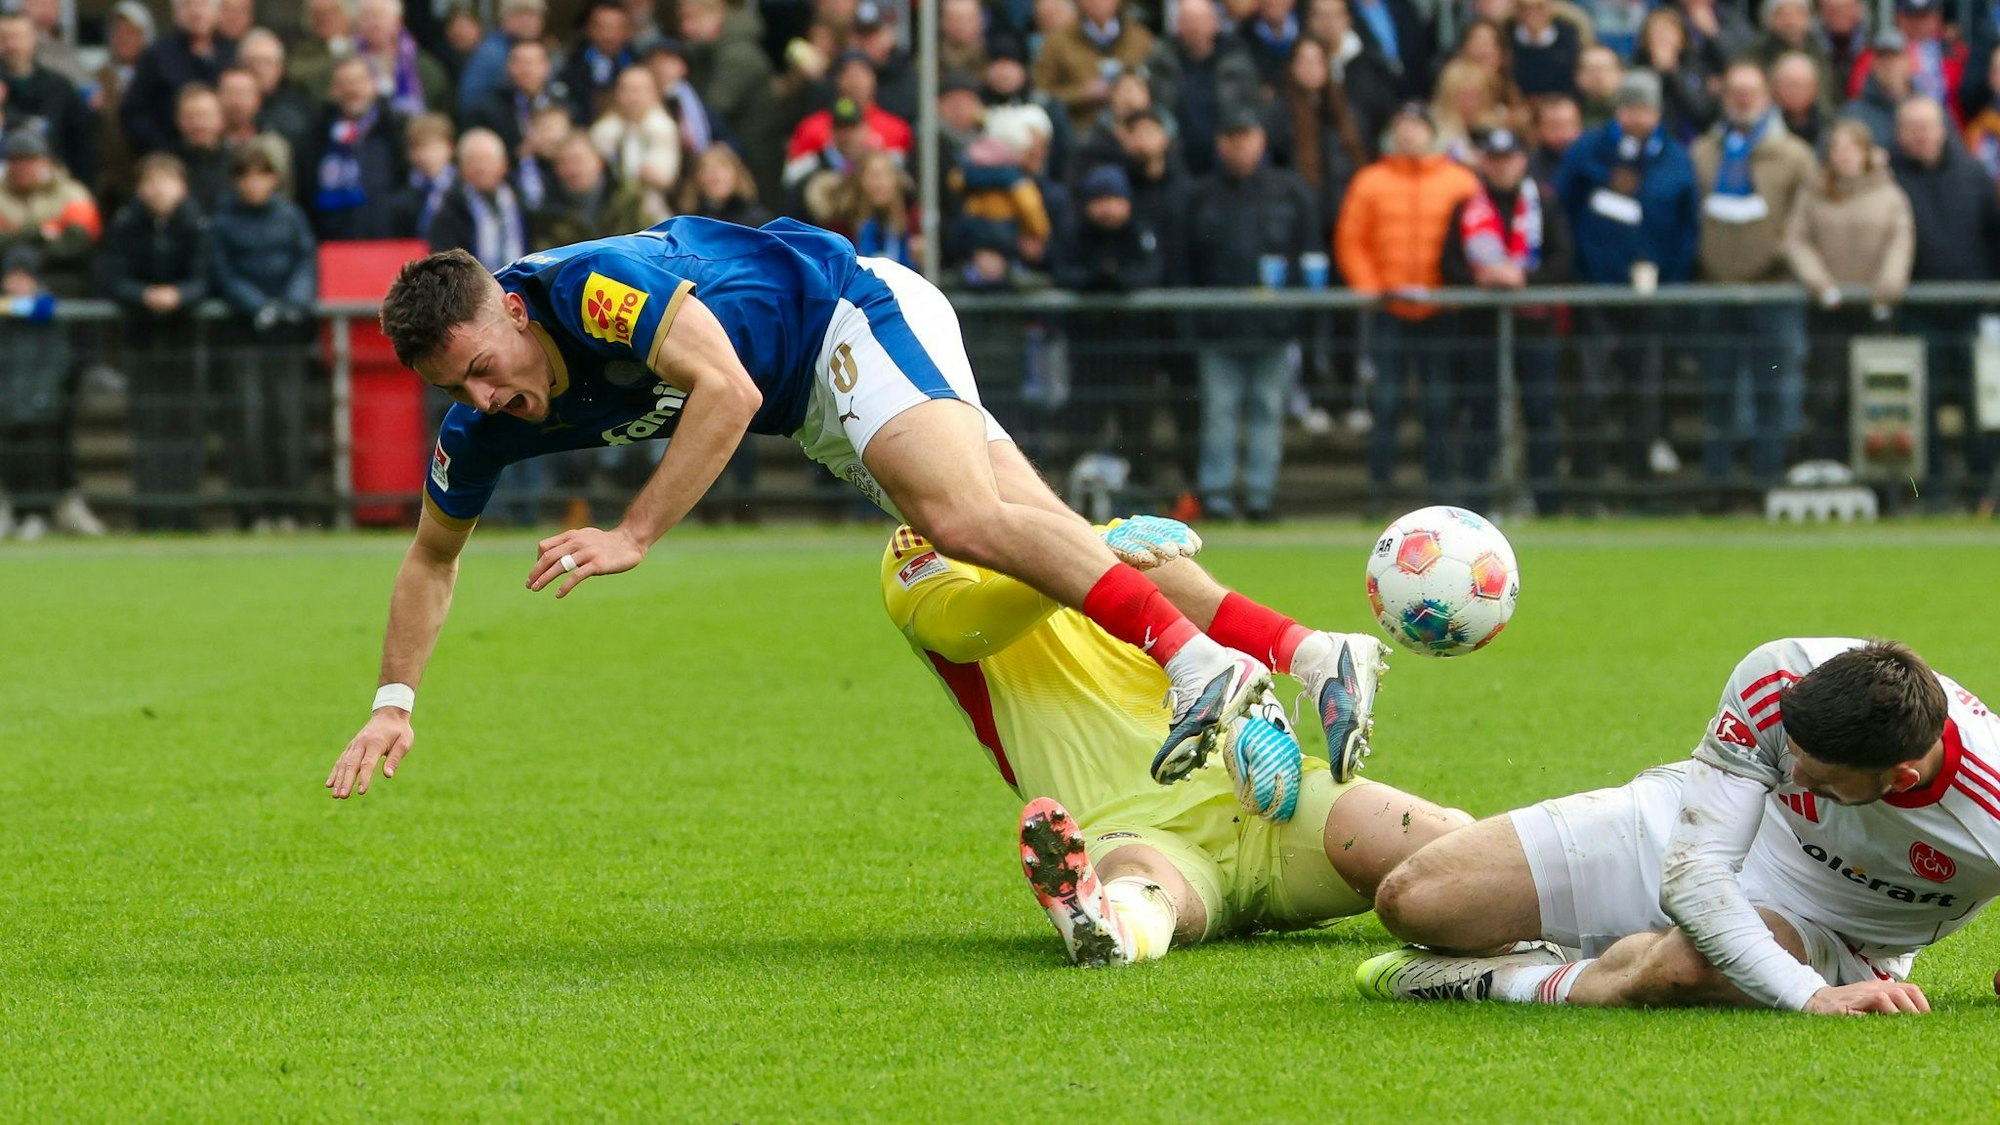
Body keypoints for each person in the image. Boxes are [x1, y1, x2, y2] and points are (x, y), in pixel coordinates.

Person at [325, 210, 1384, 797]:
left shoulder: (591, 288)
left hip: (845, 314)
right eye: (452, 391)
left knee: (964, 526)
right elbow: (429, 558)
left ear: (510, 308)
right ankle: (1306, 652)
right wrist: (393, 702)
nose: (481, 399)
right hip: (819, 399)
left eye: (481, 367)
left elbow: (726, 388)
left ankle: (1196, 666)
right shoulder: (483, 425)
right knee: (1040, 538)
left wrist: (633, 533)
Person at [881, 517, 1426, 966]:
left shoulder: (1116, 534)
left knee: (1434, 843)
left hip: (1272, 812)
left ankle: (1504, 889)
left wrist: (1292, 675)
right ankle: (1104, 930)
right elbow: (959, 630)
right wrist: (1073, 559)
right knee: (1139, 887)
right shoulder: (916, 546)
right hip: (1130, 826)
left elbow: (1221, 616)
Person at [1360, 638, 1996, 1016]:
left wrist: (1811, 990)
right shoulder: (1781, 674)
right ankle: (1595, 951)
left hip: (1835, 931)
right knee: (1414, 900)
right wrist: (1804, 997)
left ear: (1901, 780)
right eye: (1792, 751)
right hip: (1701, 830)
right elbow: (1694, 875)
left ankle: (1516, 981)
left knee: (1685, 967)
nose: (1791, 771)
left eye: (1819, 777)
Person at [1556, 70, 1698, 493]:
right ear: (1619, 109)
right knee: (1592, 392)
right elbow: (1562, 211)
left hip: (1650, 299)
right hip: (1597, 295)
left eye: (1647, 108)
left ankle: (1639, 486)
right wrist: (1582, 273)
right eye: (1631, 106)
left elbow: (1687, 228)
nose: (1639, 116)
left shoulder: (1675, 159)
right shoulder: (1589, 151)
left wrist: (1668, 279)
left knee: (1645, 393)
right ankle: (1588, 484)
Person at [1181, 109, 1319, 522]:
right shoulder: (1200, 195)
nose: (1239, 146)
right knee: (1220, 415)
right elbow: (1186, 262)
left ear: (1261, 139)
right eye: (1231, 137)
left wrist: (1296, 319)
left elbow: (1308, 256)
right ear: (1220, 143)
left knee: (1267, 412)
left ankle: (1260, 495)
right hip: (1219, 329)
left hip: (1274, 329)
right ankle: (1218, 496)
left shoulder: (1290, 191)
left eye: (1247, 136)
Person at [1336, 103, 1479, 499]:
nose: (1410, 134)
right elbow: (1352, 240)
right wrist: (1370, 289)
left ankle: (1441, 490)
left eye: (1417, 126)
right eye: (1403, 125)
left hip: (1441, 310)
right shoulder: (1370, 181)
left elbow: (1476, 237)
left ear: (1432, 133)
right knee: (1386, 403)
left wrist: (1459, 288)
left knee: (1439, 403)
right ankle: (1378, 489)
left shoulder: (1461, 181)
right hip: (1388, 311)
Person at [1691, 60, 1818, 487]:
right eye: (1735, 91)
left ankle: (1768, 481)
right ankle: (1719, 484)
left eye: (1752, 91)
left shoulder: (1795, 155)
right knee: (1718, 391)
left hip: (1775, 291)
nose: (1743, 99)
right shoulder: (1703, 153)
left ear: (1767, 97)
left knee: (1775, 391)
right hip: (1716, 291)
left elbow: (1808, 216)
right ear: (1724, 97)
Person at [1439, 126, 1572, 513]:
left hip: (1534, 324)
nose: (1501, 167)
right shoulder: (1467, 207)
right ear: (1484, 163)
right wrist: (1481, 279)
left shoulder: (1543, 204)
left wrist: (1523, 278)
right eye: (1494, 160)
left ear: (1521, 161)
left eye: (1508, 159)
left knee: (1540, 409)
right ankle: (1478, 501)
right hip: (1481, 326)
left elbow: (1563, 258)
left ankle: (1546, 499)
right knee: (1481, 410)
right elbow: (1449, 264)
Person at [1890, 96, 2000, 507]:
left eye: (1927, 126)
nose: (1920, 135)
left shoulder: (1973, 175)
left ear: (1943, 129)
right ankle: (1930, 489)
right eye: (1911, 128)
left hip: (1974, 310)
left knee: (1981, 403)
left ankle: (1981, 486)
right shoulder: (1890, 178)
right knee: (1923, 405)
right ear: (1900, 135)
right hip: (1918, 312)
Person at [1782, 118, 1914, 461]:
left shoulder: (1890, 195)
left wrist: (1887, 288)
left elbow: (1900, 243)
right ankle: (1829, 467)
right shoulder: (1813, 193)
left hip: (1876, 310)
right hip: (1829, 310)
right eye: (1837, 149)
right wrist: (1821, 286)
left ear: (1868, 153)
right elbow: (1796, 241)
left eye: (1852, 148)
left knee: (1876, 397)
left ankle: (1880, 482)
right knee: (1827, 395)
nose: (1844, 156)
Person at [209, 142, 318, 531]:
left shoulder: (290, 218)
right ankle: (252, 510)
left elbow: (306, 262)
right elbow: (222, 273)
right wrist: (257, 307)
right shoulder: (223, 223)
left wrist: (293, 303)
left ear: (273, 178)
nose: (254, 183)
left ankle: (289, 507)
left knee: (288, 422)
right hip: (244, 336)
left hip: (284, 338)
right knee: (248, 423)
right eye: (246, 175)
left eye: (261, 174)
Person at [99, 152, 210, 533]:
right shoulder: (127, 225)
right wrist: (143, 295)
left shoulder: (197, 223)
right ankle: (150, 512)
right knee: (147, 427)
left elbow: (206, 274)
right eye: (151, 181)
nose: (159, 189)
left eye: (166, 181)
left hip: (183, 340)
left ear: (182, 187)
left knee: (185, 428)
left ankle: (185, 512)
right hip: (142, 342)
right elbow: (112, 275)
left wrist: (181, 295)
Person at [1051, 164, 1163, 488]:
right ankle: (1074, 498)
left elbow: (1151, 273)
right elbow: (1063, 272)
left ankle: (1142, 493)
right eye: (1100, 199)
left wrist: (1115, 280)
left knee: (1137, 427)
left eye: (1114, 199)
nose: (1108, 208)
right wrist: (1097, 280)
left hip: (1135, 350)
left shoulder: (1140, 234)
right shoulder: (1075, 235)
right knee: (1084, 426)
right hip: (1089, 351)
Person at [0, 244, 74, 541]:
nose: (17, 284)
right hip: (5, 402)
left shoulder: (48, 311)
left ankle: (37, 514)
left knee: (38, 460)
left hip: (39, 404)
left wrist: (43, 395)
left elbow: (57, 358)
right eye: (12, 277)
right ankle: (10, 513)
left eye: (24, 277)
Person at [310, 55, 409, 240]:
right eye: (343, 84)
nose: (351, 90)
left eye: (358, 81)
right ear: (332, 91)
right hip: (333, 240)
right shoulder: (317, 133)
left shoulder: (396, 128)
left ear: (373, 85)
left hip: (387, 238)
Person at [122, 0, 235, 157]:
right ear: (177, 14)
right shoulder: (156, 56)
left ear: (217, 12)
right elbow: (134, 112)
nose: (196, 12)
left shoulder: (232, 53)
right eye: (189, 5)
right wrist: (162, 148)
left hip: (223, 157)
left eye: (203, 5)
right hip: (170, 157)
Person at [0, 129, 101, 298]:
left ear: (46, 162)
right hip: (6, 272)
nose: (22, 168)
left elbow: (79, 243)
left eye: (30, 160)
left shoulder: (72, 194)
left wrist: (28, 251)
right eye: (16, 161)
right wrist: (39, 235)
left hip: (58, 273)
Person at [1034, 0, 1157, 135]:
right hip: (1080, 131)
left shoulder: (1140, 38)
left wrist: (1134, 91)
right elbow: (1041, 95)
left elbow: (1159, 84)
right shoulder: (1058, 43)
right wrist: (1082, 93)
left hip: (1136, 130)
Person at [0, 13, 93, 185]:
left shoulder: (59, 87)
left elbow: (81, 144)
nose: (12, 45)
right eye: (4, 38)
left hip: (55, 186)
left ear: (33, 39)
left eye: (18, 37)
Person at [426, 128, 527, 271]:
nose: (481, 168)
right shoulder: (447, 211)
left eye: (487, 159)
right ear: (461, 167)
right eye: (474, 160)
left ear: (504, 164)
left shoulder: (522, 202)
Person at [587, 66, 679, 221]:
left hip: (652, 210)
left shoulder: (663, 127)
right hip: (607, 209)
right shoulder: (602, 131)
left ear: (653, 93)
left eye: (638, 90)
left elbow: (664, 178)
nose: (632, 97)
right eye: (625, 90)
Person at [534, 131, 651, 248]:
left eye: (577, 160)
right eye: (563, 163)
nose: (572, 170)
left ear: (599, 162)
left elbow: (650, 242)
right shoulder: (548, 216)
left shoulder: (628, 200)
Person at [1635, 6, 1719, 143]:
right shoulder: (1635, 69)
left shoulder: (1697, 68)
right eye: (1656, 32)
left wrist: (1673, 73)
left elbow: (1703, 114)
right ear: (1645, 40)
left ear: (1682, 39)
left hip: (1690, 142)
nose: (1662, 37)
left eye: (1668, 31)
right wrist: (1658, 72)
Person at [354, 0, 450, 119]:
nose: (375, 23)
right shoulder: (345, 64)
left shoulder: (424, 66)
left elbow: (439, 108)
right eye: (368, 16)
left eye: (381, 16)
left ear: (398, 21)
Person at [456, 0, 546, 116]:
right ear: (505, 18)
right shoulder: (493, 53)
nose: (530, 22)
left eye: (536, 15)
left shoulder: (522, 45)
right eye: (523, 15)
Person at [559, 1, 636, 123]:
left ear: (627, 32)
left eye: (615, 28)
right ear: (589, 29)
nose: (608, 35)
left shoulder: (636, 64)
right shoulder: (570, 62)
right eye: (601, 27)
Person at [675, 144, 773, 229]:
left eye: (721, 167)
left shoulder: (759, 221)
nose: (714, 176)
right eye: (705, 169)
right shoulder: (688, 223)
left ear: (736, 174)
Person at [1845, 27, 1914, 149]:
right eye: (1882, 58)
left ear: (1908, 62)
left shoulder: (1929, 110)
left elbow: (1954, 160)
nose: (1889, 64)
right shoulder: (1853, 114)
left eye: (1895, 57)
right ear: (1873, 64)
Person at [173, 83, 230, 213]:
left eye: (205, 116)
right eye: (190, 117)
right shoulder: (167, 166)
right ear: (178, 120)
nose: (198, 125)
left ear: (220, 119)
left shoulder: (238, 164)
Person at [1508, 0, 1581, 99]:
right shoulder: (1504, 38)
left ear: (1551, 7)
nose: (1532, 13)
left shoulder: (1570, 38)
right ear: (1515, 10)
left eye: (1539, 7)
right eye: (1524, 8)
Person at [1773, 50, 1829, 152]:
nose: (1795, 91)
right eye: (1789, 85)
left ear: (1815, 88)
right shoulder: (1765, 129)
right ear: (1776, 88)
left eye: (1802, 85)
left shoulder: (1829, 129)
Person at [1526, 91, 1581, 182]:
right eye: (1555, 126)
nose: (1565, 133)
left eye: (1570, 124)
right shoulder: (1527, 167)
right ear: (1538, 128)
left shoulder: (1594, 162)